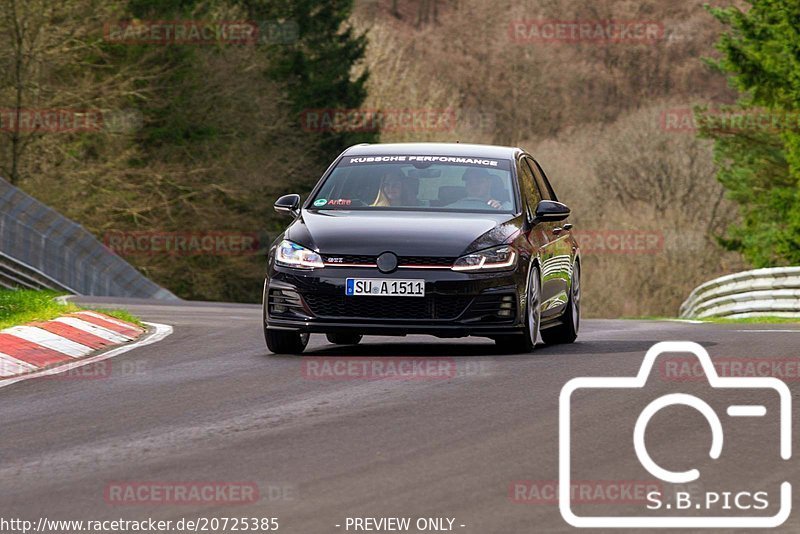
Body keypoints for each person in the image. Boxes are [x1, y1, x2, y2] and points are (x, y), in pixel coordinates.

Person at [447, 168, 511, 210]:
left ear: (489, 183)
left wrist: (500, 209)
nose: (474, 185)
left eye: (479, 181)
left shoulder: (505, 207)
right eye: (470, 182)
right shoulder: (452, 207)